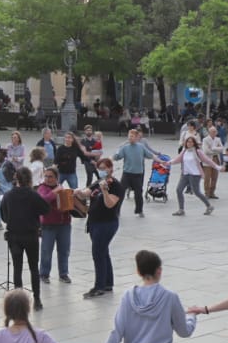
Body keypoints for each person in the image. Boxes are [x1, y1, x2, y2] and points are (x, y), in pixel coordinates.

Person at [0, 167, 51, 309]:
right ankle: (37, 300)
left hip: (14, 236)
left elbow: (3, 216)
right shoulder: (33, 195)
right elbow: (46, 209)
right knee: (34, 268)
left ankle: (19, 303)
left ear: (16, 179)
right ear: (29, 179)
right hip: (31, 235)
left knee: (17, 268)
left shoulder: (8, 195)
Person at [83, 157, 123, 300]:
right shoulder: (98, 182)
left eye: (104, 168)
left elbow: (110, 204)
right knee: (103, 252)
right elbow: (87, 192)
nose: (102, 171)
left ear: (111, 169)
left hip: (107, 223)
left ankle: (98, 286)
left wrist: (105, 191)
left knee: (98, 253)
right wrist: (77, 192)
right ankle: (108, 283)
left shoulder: (116, 185)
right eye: (99, 168)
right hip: (94, 222)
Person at [115, 128, 168, 218]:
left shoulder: (141, 147)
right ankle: (116, 211)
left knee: (138, 193)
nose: (130, 138)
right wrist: (110, 158)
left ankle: (139, 210)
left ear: (136, 137)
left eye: (132, 136)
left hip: (138, 174)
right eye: (129, 136)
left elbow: (151, 155)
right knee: (121, 192)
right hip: (127, 174)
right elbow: (118, 156)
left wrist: (160, 161)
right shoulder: (125, 147)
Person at [37, 165, 74, 286]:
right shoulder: (42, 188)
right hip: (48, 225)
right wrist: (54, 192)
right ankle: (43, 273)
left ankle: (63, 274)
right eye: (46, 176)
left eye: (51, 176)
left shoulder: (62, 188)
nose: (48, 179)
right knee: (46, 251)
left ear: (57, 177)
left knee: (64, 250)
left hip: (64, 224)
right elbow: (43, 199)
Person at [171, 136, 217, 216]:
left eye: (191, 142)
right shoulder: (184, 151)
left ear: (194, 143)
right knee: (179, 190)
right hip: (185, 174)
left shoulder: (197, 151)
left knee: (197, 192)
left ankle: (209, 206)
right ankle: (181, 209)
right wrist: (167, 162)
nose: (189, 143)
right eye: (188, 142)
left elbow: (207, 160)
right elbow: (177, 159)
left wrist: (217, 167)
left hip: (195, 174)